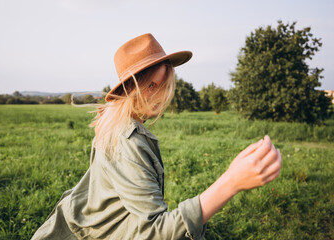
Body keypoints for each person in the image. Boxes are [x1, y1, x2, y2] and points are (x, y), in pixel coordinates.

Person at [32, 33, 282, 240]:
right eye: (151, 85)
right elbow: (154, 231)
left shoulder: (118, 123)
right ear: (132, 88)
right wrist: (231, 182)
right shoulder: (127, 139)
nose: (160, 94)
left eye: (163, 84)